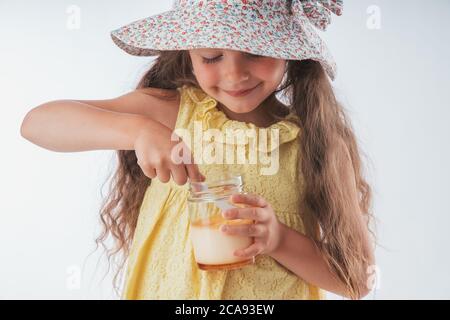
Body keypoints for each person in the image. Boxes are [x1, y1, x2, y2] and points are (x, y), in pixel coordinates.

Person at [20, 0, 376, 300]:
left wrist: (278, 238)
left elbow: (359, 278)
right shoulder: (172, 113)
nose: (235, 75)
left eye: (255, 51)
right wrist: (138, 130)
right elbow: (38, 123)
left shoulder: (317, 144)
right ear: (188, 53)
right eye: (211, 56)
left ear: (290, 52)